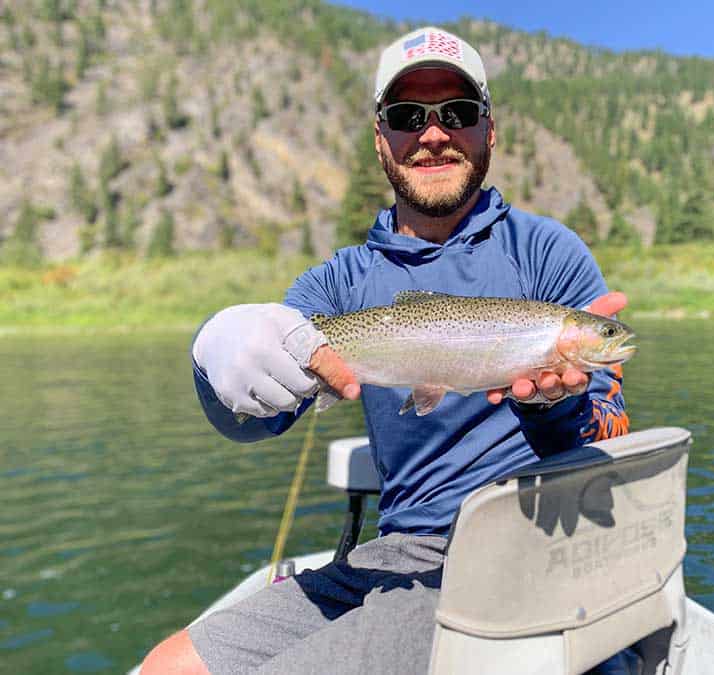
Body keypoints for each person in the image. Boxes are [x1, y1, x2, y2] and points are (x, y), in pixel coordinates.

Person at [142, 26, 630, 675]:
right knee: (167, 666)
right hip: (389, 557)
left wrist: (554, 409)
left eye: (457, 113)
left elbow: (613, 427)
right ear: (381, 139)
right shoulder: (338, 284)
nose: (433, 133)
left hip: (519, 553)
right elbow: (256, 415)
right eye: (407, 116)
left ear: (490, 130)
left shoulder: (547, 253)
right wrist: (216, 358)